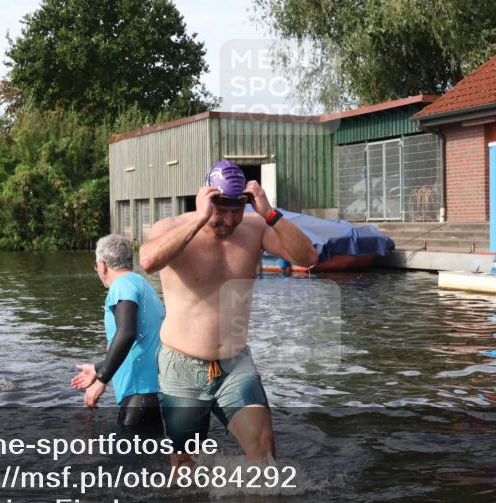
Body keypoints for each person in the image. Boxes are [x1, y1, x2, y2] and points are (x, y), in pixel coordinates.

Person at [138, 160, 318, 467]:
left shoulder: (254, 228)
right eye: (221, 210)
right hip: (181, 366)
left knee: (265, 456)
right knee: (184, 468)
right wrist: (199, 219)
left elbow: (309, 258)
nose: (230, 219)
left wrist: (269, 214)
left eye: (238, 209)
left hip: (236, 363)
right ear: (207, 198)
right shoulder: (171, 228)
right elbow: (148, 261)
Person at [72, 234, 165, 430]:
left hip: (139, 397)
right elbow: (134, 341)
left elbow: (126, 333)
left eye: (96, 266)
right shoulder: (142, 285)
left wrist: (102, 379)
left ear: (103, 265)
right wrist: (99, 368)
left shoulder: (121, 287)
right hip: (155, 394)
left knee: (127, 459)